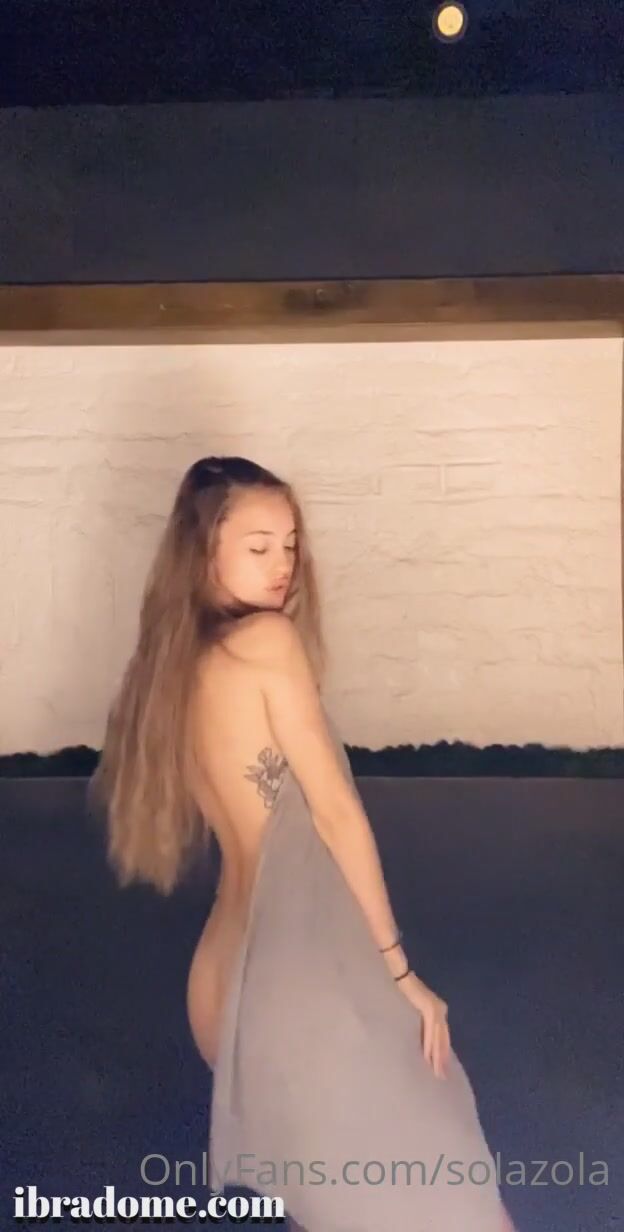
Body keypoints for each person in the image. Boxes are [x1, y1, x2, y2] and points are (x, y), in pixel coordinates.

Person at [89, 455, 517, 1231]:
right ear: (203, 550)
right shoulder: (266, 641)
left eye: (289, 545)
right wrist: (399, 972)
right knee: (451, 1203)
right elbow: (336, 814)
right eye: (258, 547)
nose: (282, 564)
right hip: (298, 986)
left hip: (221, 986)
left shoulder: (171, 667)